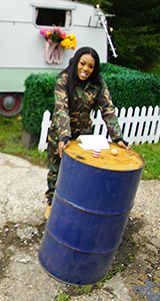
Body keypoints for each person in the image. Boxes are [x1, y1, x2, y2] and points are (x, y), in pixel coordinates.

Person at [44, 46, 131, 218]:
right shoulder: (64, 79)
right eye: (82, 64)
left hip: (84, 136)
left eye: (90, 67)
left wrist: (118, 137)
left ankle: (75, 206)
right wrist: (64, 136)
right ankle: (51, 204)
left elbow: (108, 109)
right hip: (60, 134)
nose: (85, 69)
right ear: (76, 61)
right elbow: (61, 109)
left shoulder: (98, 83)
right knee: (56, 170)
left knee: (82, 172)